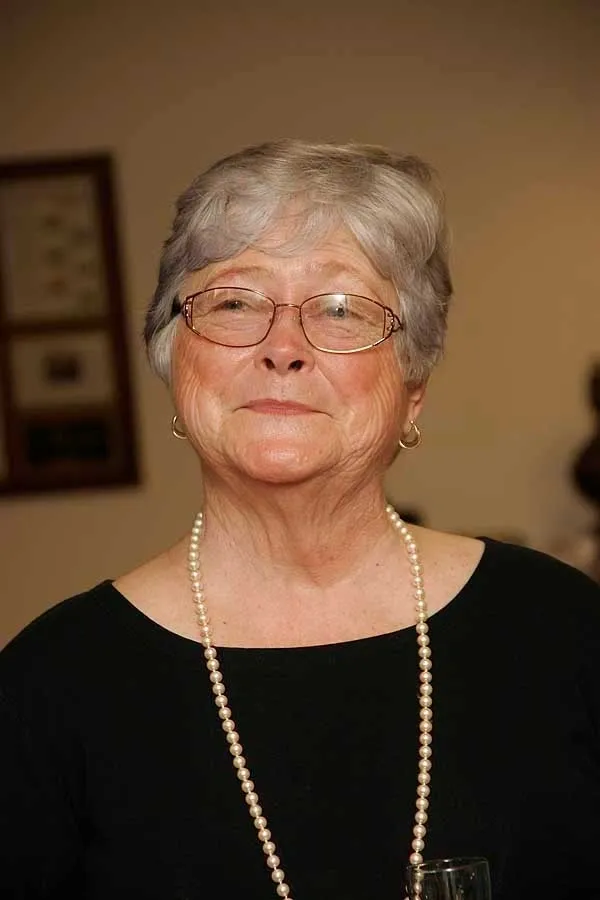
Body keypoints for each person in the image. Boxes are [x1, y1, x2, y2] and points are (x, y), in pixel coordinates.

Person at [1, 139, 599, 900]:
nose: (283, 348)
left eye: (342, 309)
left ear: (412, 386)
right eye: (234, 302)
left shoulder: (563, 632)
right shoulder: (49, 687)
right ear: (173, 361)